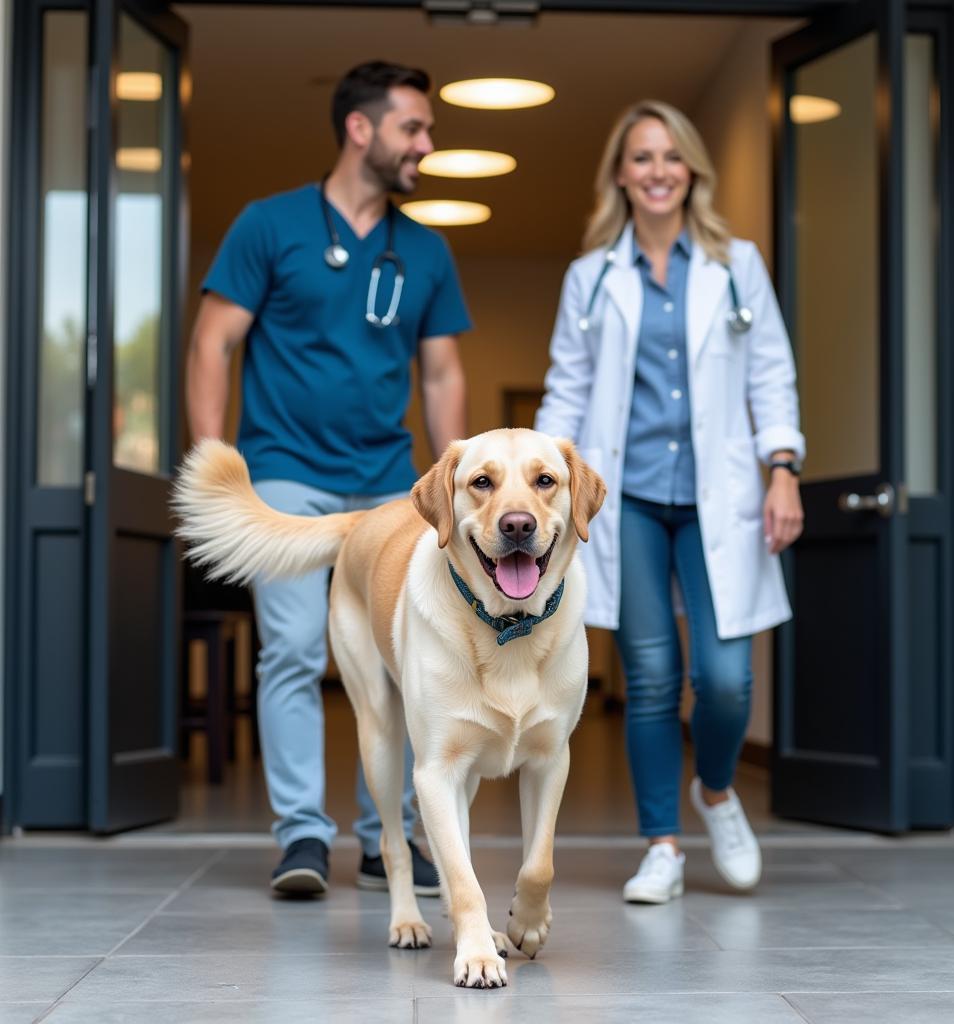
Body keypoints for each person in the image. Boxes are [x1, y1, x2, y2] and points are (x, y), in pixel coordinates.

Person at [186, 61, 471, 897]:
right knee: (293, 652)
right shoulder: (269, 227)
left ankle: (394, 839)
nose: (426, 143)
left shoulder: (424, 248)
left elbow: (444, 373)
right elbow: (212, 342)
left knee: (405, 659)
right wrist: (216, 469)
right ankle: (302, 838)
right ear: (361, 129)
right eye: (413, 128)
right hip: (284, 474)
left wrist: (456, 491)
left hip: (389, 483)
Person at [535, 100, 805, 904]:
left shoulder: (736, 263)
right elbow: (568, 391)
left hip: (719, 496)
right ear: (621, 173)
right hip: (631, 501)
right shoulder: (590, 278)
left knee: (725, 681)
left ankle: (714, 792)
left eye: (670, 157)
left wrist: (782, 467)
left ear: (692, 171)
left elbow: (770, 373)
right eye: (641, 158)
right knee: (651, 676)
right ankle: (661, 845)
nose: (657, 172)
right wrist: (541, 480)